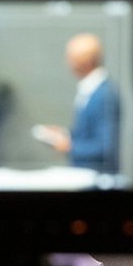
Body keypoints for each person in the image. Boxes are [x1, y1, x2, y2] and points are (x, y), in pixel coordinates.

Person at [34, 33, 120, 174]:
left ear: (85, 60)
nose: (67, 63)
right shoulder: (90, 90)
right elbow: (87, 134)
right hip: (84, 174)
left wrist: (69, 146)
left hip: (97, 179)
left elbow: (106, 146)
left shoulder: (105, 94)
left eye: (71, 58)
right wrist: (64, 134)